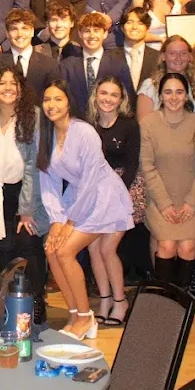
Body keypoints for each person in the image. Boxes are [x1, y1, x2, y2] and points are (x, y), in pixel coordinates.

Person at [38, 80, 133, 339]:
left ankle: (85, 317)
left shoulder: (84, 132)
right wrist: (56, 220)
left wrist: (70, 221)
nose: (52, 105)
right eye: (47, 99)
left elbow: (92, 179)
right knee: (51, 248)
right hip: (78, 197)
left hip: (103, 197)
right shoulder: (44, 133)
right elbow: (48, 182)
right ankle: (75, 314)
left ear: (69, 102)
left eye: (58, 99)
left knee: (66, 250)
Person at [0, 67, 47, 311]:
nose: (7, 87)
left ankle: (37, 302)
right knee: (4, 248)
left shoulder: (33, 116)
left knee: (28, 244)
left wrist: (27, 208)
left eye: (12, 83)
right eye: (2, 83)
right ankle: (11, 303)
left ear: (20, 90)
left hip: (27, 192)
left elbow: (34, 165)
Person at [139, 72, 195, 292]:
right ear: (160, 95)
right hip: (159, 198)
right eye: (168, 92)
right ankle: (164, 298)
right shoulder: (148, 123)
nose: (174, 97)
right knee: (167, 246)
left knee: (187, 248)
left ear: (187, 95)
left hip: (193, 198)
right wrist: (165, 204)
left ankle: (182, 297)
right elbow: (147, 166)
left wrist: (190, 202)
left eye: (179, 92)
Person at [85, 75, 142, 327]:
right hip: (95, 190)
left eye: (114, 95)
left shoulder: (130, 125)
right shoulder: (88, 126)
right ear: (96, 96)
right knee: (93, 248)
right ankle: (104, 299)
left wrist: (117, 193)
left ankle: (121, 301)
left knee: (108, 248)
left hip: (124, 190)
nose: (108, 99)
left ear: (121, 100)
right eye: (103, 93)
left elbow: (131, 166)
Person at [0, 8, 62, 102]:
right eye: (14, 29)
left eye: (24, 28)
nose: (20, 34)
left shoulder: (50, 65)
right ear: (7, 34)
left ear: (32, 32)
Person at [60, 11, 132, 108]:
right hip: (76, 121)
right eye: (87, 31)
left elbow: (128, 99)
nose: (92, 36)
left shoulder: (119, 65)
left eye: (96, 30)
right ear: (80, 34)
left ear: (105, 33)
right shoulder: (67, 66)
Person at [136, 36, 195, 117]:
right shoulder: (149, 85)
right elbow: (144, 123)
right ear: (163, 56)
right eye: (172, 53)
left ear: (189, 56)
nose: (178, 58)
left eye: (183, 53)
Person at [119, 7, 161, 93]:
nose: (134, 27)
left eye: (140, 23)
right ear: (122, 28)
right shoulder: (109, 57)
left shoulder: (158, 57)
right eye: (129, 22)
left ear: (147, 29)